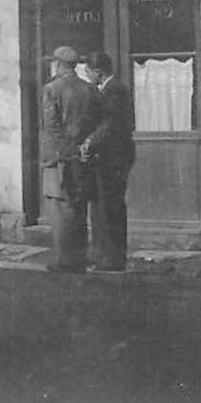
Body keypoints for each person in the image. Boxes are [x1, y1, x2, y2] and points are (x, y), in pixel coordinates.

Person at [39, 46, 102, 273]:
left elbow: (52, 126)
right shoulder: (89, 89)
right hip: (82, 157)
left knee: (59, 210)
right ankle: (80, 257)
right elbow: (96, 123)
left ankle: (64, 260)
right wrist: (81, 148)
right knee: (79, 208)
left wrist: (66, 152)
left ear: (57, 64)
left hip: (59, 159)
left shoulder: (51, 89)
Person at [82, 51, 135, 272]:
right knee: (102, 207)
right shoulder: (109, 90)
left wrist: (90, 142)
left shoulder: (115, 91)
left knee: (110, 208)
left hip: (114, 159)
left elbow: (110, 125)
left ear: (98, 71)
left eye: (88, 72)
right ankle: (103, 255)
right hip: (107, 158)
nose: (87, 76)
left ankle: (112, 258)